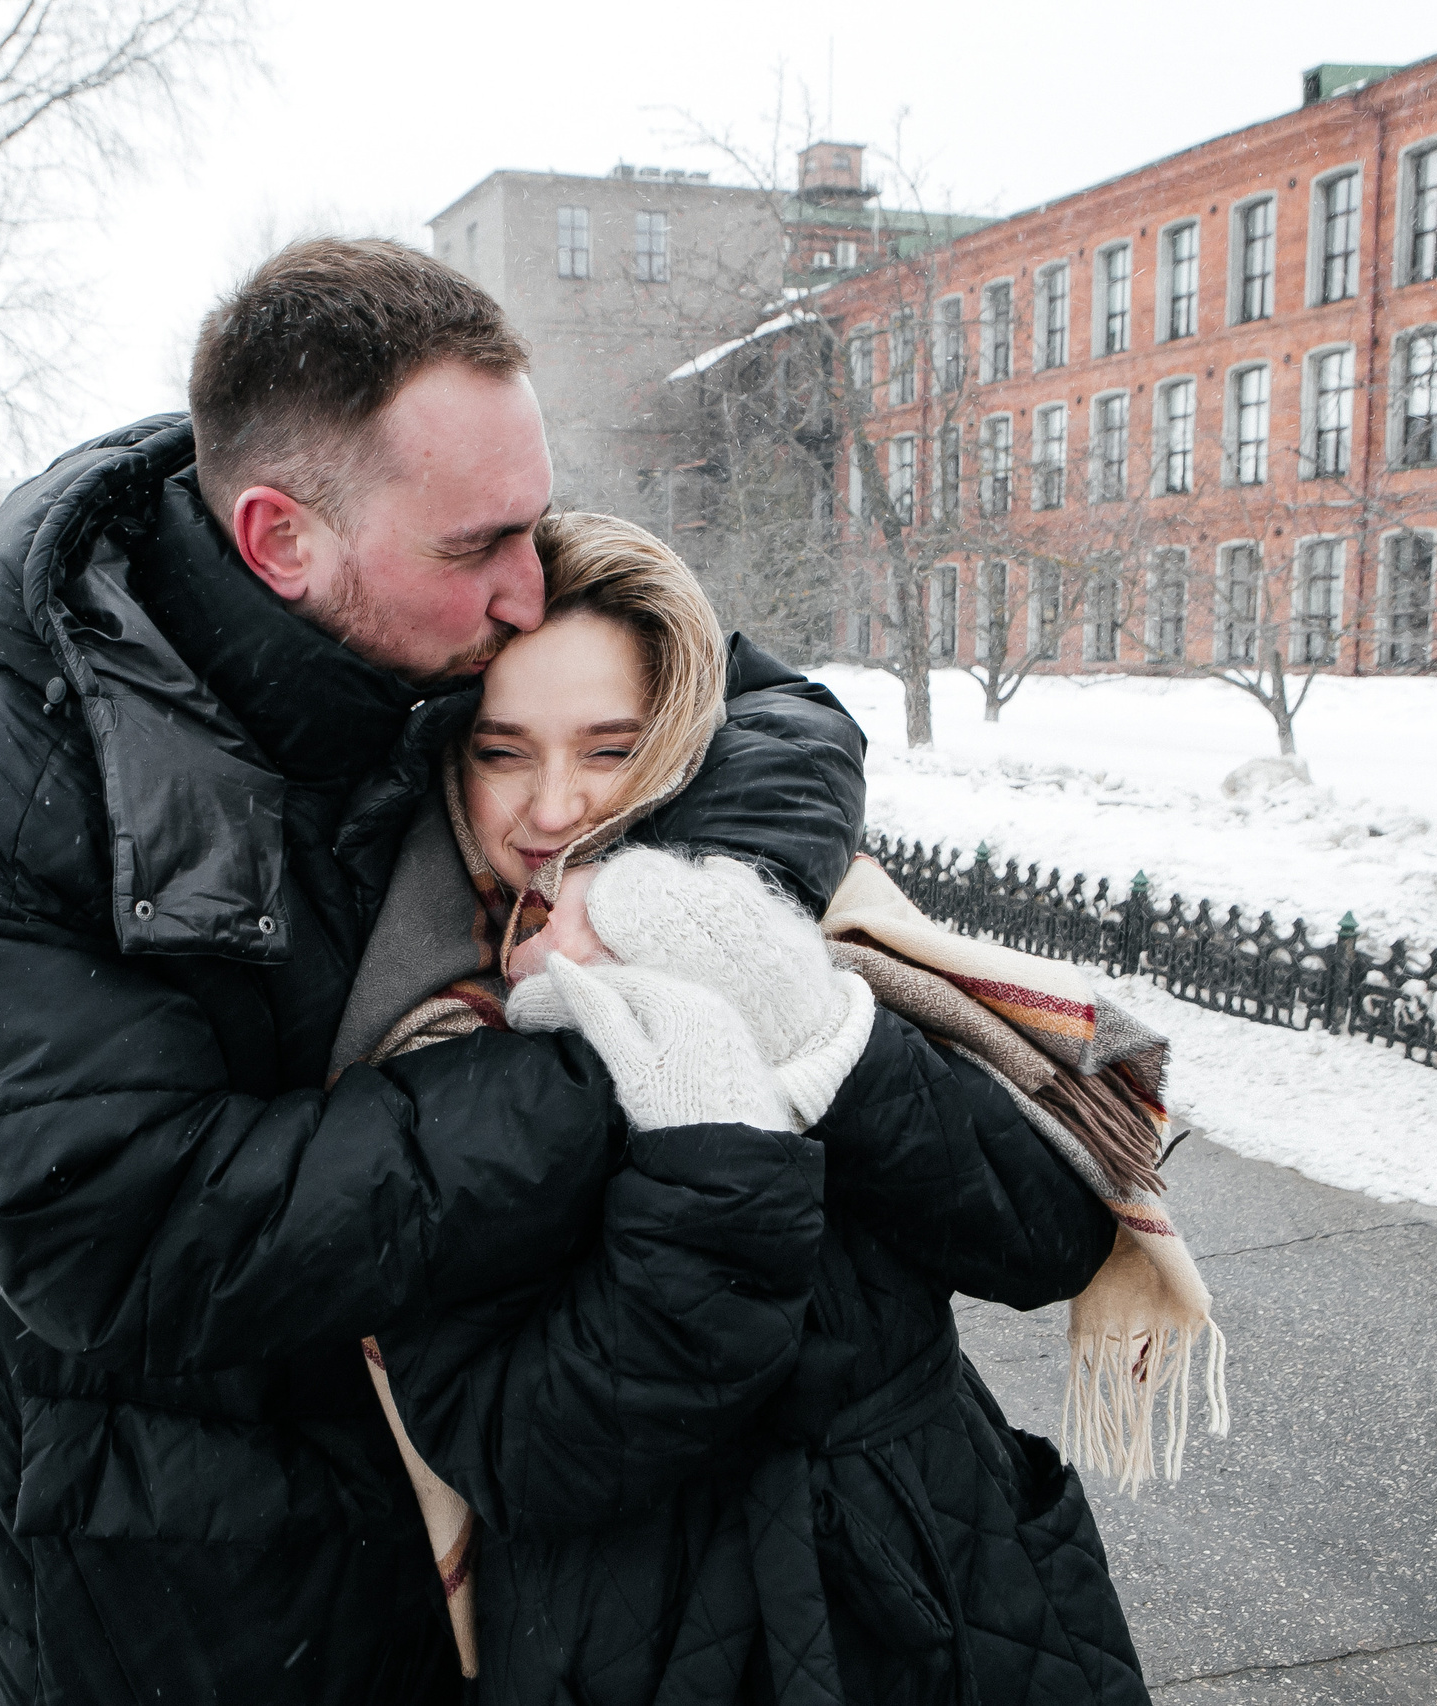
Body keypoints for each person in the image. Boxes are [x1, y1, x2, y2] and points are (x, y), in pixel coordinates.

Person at [0, 238, 871, 1705]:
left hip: (505, 1545)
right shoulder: (19, 780)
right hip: (198, 1597)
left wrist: (678, 902)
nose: (533, 591)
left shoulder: (464, 600)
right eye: (482, 549)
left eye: (533, 525)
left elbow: (769, 711)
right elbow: (116, 1230)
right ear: (282, 539)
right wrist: (614, 1064)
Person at [345, 511, 1157, 1704]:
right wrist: (708, 1153)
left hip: (945, 1582)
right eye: (503, 751)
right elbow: (518, 1444)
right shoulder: (415, 1017)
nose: (554, 809)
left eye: (609, 748)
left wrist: (813, 1027)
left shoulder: (805, 918)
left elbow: (1046, 1239)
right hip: (636, 1638)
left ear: (677, 736)